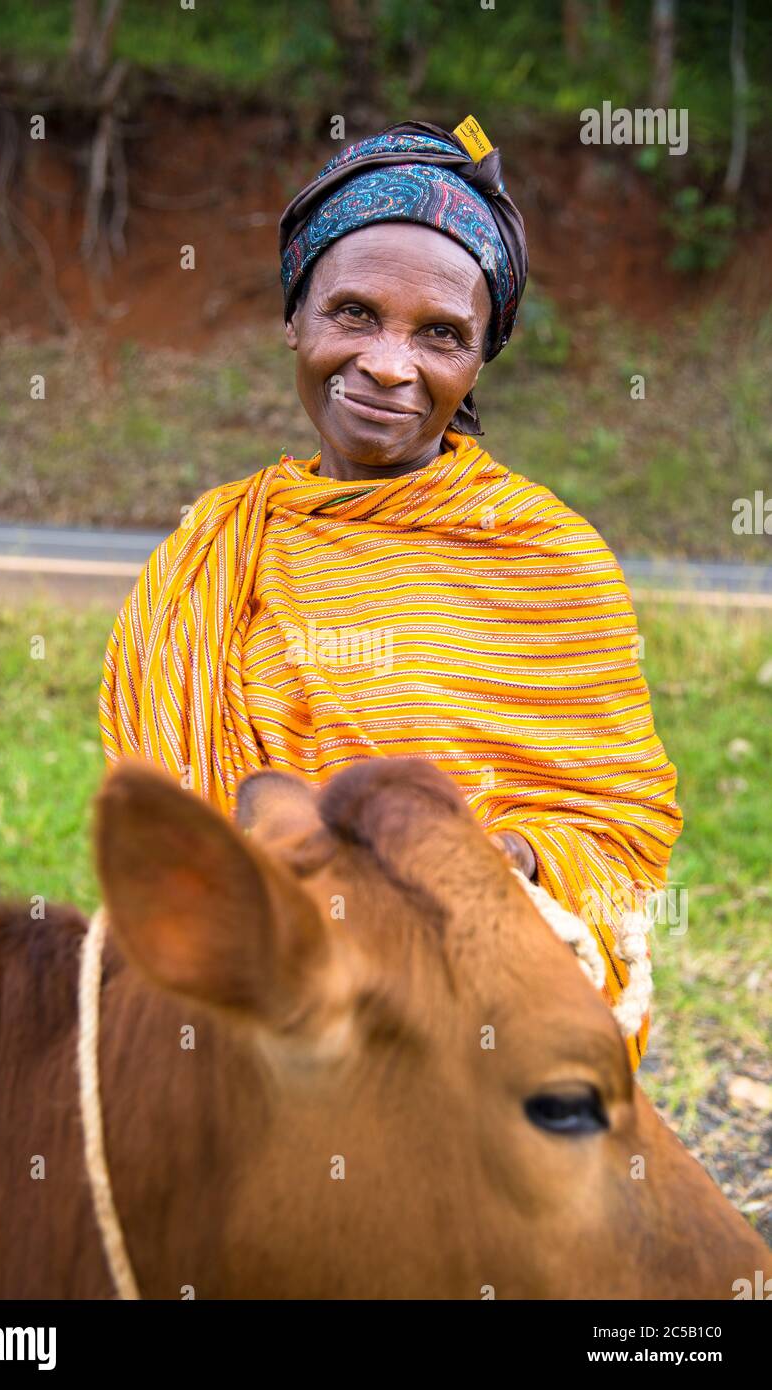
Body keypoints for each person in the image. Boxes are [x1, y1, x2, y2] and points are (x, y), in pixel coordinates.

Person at [99, 117, 683, 1068]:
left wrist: (515, 861)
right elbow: (156, 823)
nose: (389, 363)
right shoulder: (212, 551)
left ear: (480, 357)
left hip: (469, 1022)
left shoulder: (547, 558)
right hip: (247, 1000)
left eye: (441, 334)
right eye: (354, 313)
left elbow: (618, 823)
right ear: (295, 315)